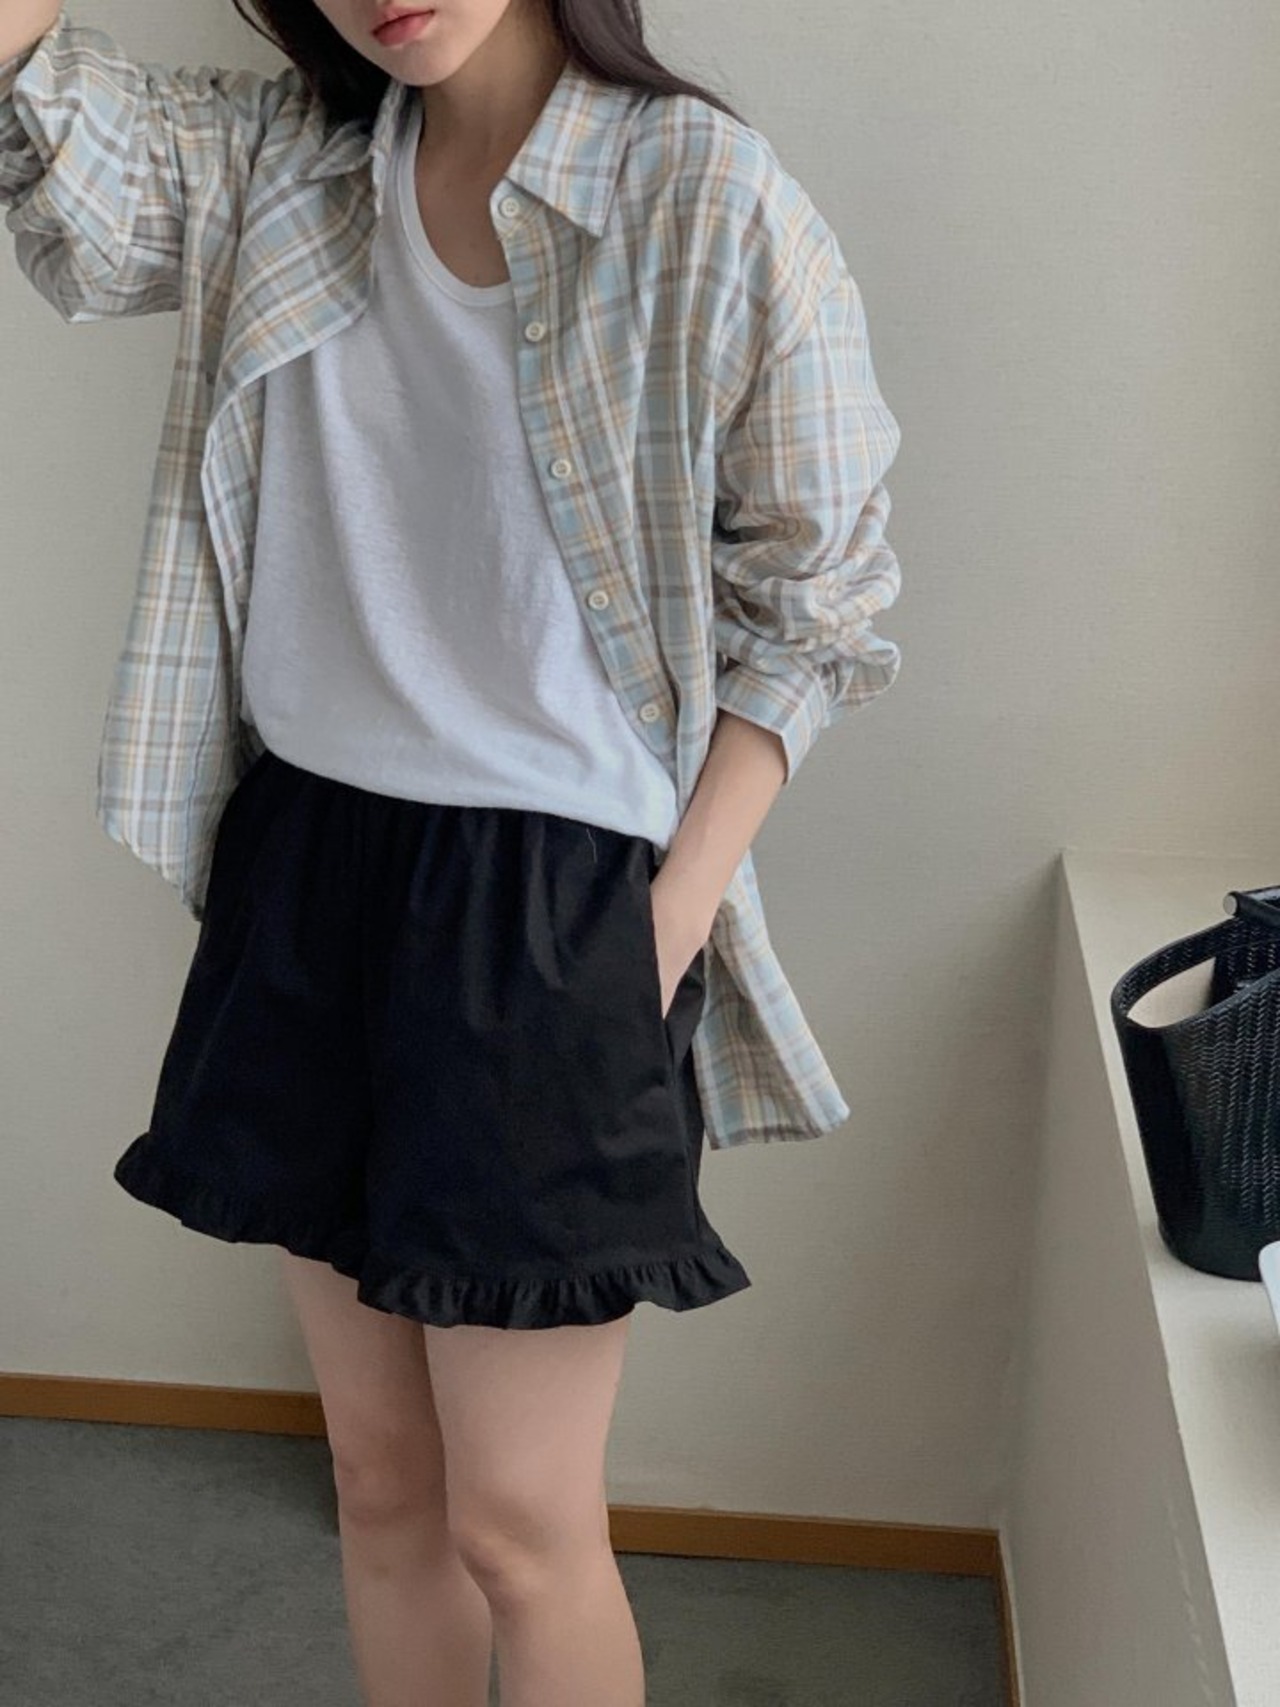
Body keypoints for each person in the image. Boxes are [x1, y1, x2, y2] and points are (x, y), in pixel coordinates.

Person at [1, 0, 904, 1701]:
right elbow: (57, 141)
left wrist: (660, 927)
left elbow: (821, 601)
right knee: (380, 1485)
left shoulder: (701, 191)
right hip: (308, 864)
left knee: (522, 1526)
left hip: (553, 906)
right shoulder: (282, 158)